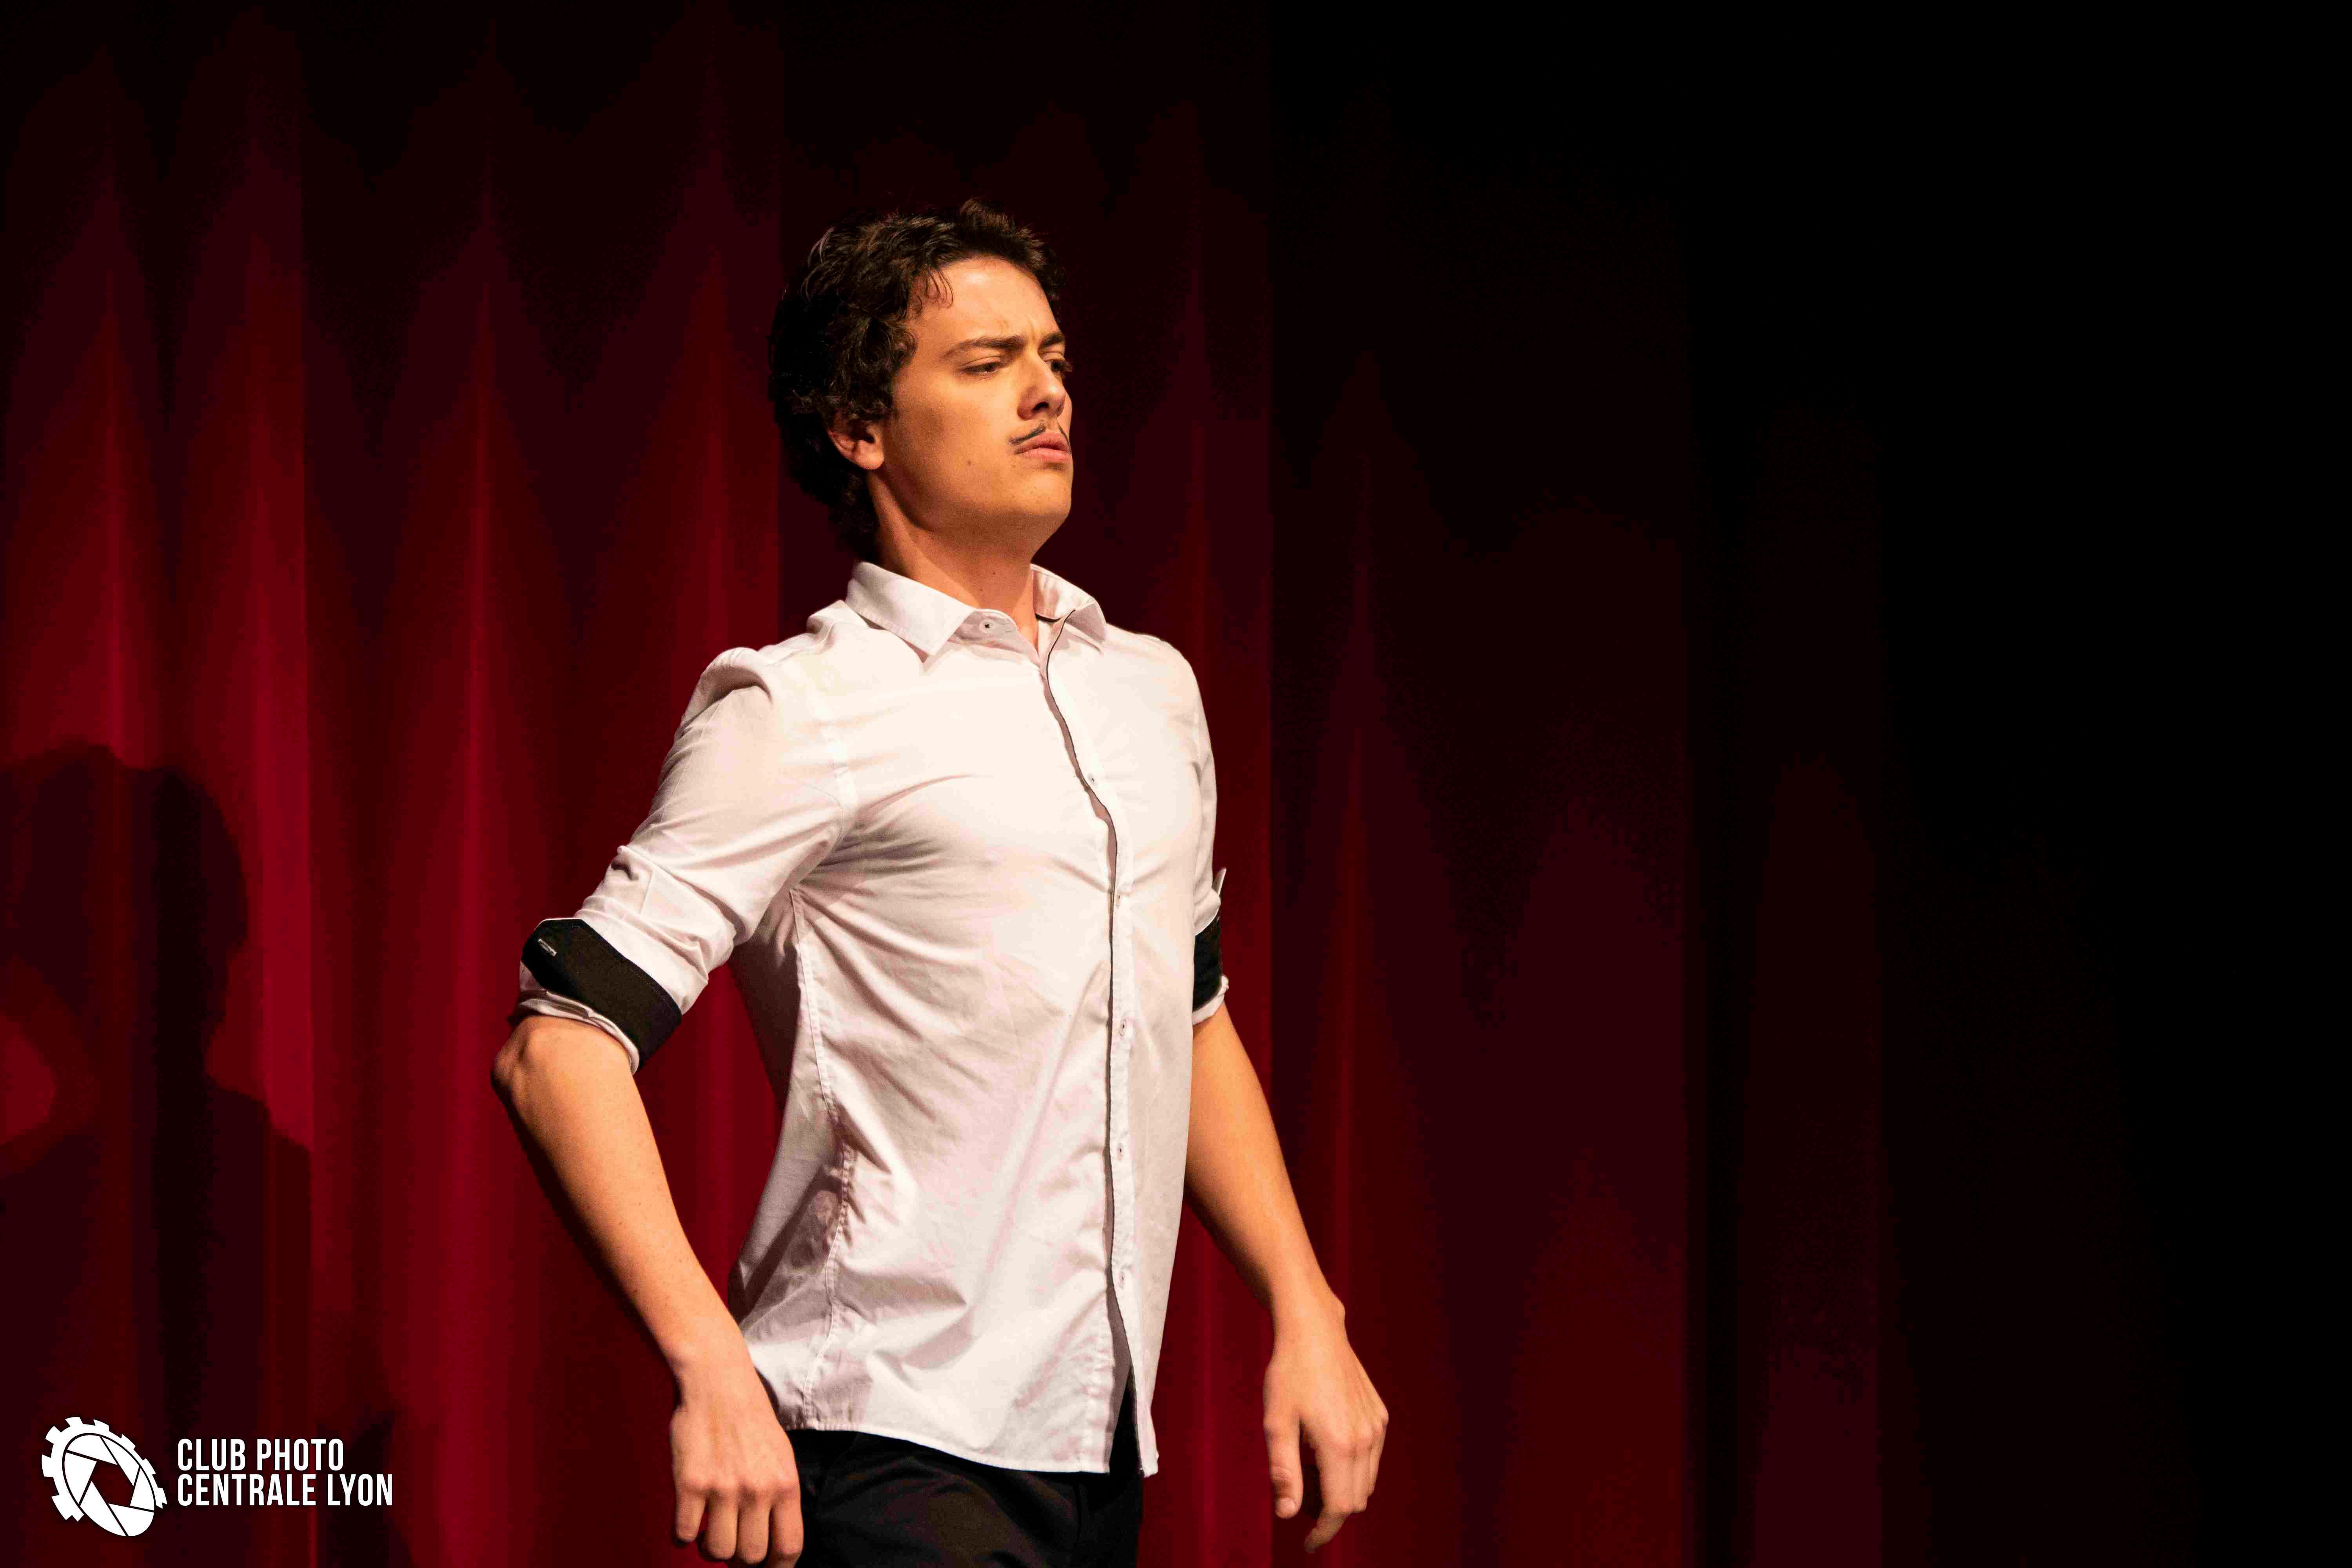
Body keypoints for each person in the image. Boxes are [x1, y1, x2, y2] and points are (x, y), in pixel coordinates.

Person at [490, 198, 1385, 1566]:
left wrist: (1305, 1307)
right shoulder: (803, 707)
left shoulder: (1149, 692)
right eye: (986, 363)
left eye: (1055, 359)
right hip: (884, 1439)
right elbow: (558, 1050)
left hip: (1093, 1451)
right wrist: (709, 1364)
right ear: (860, 427)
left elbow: (1186, 1014)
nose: (1047, 393)